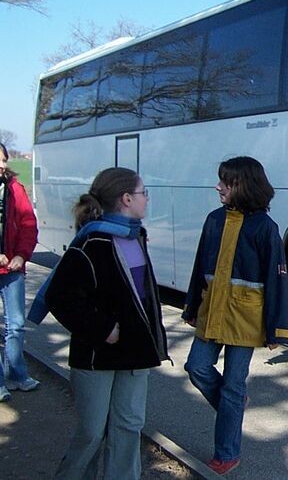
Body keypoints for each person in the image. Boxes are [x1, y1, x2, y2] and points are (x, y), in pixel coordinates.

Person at [45, 167, 169, 479]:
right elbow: (60, 298)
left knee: (128, 427)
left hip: (134, 354)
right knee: (92, 432)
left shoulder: (135, 235)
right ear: (127, 199)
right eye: (143, 193)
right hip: (96, 357)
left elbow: (143, 299)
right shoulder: (92, 242)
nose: (147, 199)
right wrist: (103, 329)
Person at [182, 156, 288, 475]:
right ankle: (233, 406)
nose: (218, 186)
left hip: (245, 318)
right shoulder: (213, 220)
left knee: (233, 385)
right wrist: (191, 307)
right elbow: (198, 267)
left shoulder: (265, 227)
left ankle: (226, 454)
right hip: (211, 312)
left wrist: (277, 330)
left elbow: (277, 279)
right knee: (196, 367)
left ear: (242, 186)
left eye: (226, 183)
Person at [0, 142, 39, 402]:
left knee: (16, 325)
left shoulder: (15, 189)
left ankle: (17, 375)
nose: (2, 165)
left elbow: (28, 224)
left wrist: (21, 255)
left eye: (3, 160)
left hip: (12, 268)